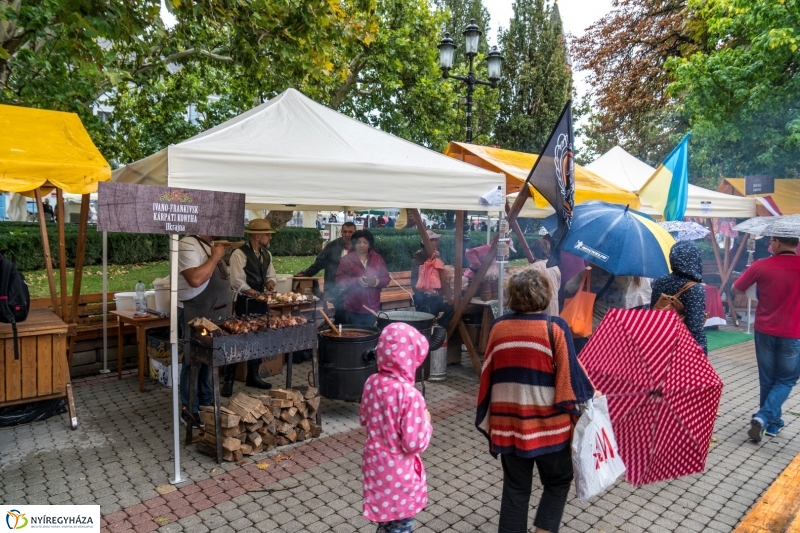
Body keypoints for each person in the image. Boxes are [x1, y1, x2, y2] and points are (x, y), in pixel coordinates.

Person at [476, 268, 595, 533]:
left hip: (509, 426)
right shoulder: (555, 328)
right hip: (550, 429)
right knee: (558, 482)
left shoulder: (498, 327)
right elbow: (570, 381)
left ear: (511, 297)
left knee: (516, 489)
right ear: (544, 295)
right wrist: (590, 391)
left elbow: (488, 376)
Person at [360, 323, 432, 533]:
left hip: (374, 464)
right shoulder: (410, 396)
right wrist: (425, 421)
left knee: (386, 521)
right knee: (401, 524)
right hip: (399, 471)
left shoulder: (371, 382)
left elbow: (364, 417)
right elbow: (413, 443)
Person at [733, 236, 800, 442]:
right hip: (793, 333)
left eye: (771, 242)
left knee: (768, 379)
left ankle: (768, 420)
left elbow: (737, 288)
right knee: (786, 379)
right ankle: (768, 419)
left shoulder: (761, 266)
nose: (769, 245)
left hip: (764, 330)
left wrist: (760, 292)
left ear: (778, 243)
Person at [178, 235, 231, 427]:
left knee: (210, 358)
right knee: (192, 361)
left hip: (214, 312)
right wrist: (215, 257)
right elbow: (195, 279)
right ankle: (189, 409)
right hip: (196, 312)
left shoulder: (208, 245)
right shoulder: (187, 244)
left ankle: (206, 402)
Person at [227, 219, 278, 394]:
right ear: (257, 236)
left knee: (259, 339)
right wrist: (256, 294)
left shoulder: (266, 254)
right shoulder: (239, 254)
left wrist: (270, 284)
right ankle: (228, 381)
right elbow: (236, 282)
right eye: (267, 234)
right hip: (245, 302)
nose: (269, 237)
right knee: (239, 340)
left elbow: (271, 275)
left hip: (261, 303)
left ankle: (253, 376)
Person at [650, 241, 708, 355]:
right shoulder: (695, 289)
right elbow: (695, 327)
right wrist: (702, 353)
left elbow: (653, 310)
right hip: (681, 346)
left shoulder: (659, 281)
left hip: (658, 340)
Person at [296, 221, 357, 323]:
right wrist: (306, 273)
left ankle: (345, 330)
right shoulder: (332, 246)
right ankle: (341, 330)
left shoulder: (359, 247)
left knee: (353, 313)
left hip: (354, 289)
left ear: (355, 233)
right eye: (345, 232)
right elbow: (319, 263)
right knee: (342, 311)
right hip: (335, 288)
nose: (347, 235)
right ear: (341, 232)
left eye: (350, 232)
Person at [336, 229, 390, 326]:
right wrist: (357, 281)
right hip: (353, 307)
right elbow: (339, 281)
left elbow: (386, 278)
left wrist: (377, 281)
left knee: (371, 335)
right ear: (354, 244)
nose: (361, 245)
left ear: (370, 244)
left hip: (373, 306)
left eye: (365, 242)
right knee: (355, 336)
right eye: (358, 242)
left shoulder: (377, 258)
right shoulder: (346, 260)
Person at [530, 239, 561, 316]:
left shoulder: (534, 267)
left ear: (534, 252)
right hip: (554, 305)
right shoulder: (555, 267)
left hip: (540, 307)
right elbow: (558, 286)